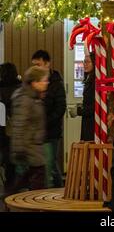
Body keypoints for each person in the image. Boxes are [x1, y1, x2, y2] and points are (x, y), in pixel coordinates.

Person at [9, 65, 49, 193]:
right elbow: (20, 124)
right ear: (34, 83)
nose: (46, 83)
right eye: (44, 80)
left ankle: (10, 198)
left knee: (27, 179)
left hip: (33, 146)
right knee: (37, 181)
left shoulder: (34, 97)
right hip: (29, 147)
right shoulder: (25, 99)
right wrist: (20, 149)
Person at [31, 50, 66, 188]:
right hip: (37, 132)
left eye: (38, 65)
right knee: (42, 165)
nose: (36, 69)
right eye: (34, 66)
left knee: (50, 164)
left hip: (51, 132)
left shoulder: (56, 82)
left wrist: (45, 122)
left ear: (47, 63)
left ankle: (58, 192)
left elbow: (60, 108)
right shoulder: (34, 82)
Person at [0, 63, 21, 189]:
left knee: (6, 157)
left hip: (3, 128)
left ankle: (9, 184)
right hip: (18, 127)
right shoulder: (20, 88)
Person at [77, 53, 96, 141]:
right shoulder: (88, 79)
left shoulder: (95, 82)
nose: (85, 64)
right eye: (84, 62)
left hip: (93, 123)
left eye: (88, 62)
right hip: (87, 121)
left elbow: (95, 106)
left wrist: (79, 111)